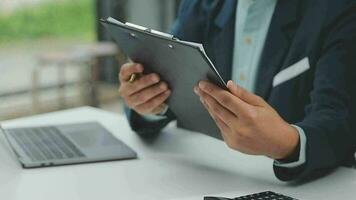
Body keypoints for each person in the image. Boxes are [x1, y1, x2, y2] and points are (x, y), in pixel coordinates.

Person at [118, 0, 356, 181]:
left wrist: (286, 143)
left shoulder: (337, 10)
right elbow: (173, 80)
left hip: (291, 185)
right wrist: (149, 102)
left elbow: (338, 120)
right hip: (199, 176)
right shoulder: (200, 4)